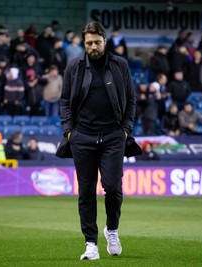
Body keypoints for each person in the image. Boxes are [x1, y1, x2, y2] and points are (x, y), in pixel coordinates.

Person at [55, 21, 140, 261]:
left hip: (114, 136)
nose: (93, 46)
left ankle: (111, 230)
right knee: (86, 192)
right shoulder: (74, 66)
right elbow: (64, 100)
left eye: (97, 42)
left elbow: (131, 99)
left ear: (105, 41)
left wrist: (125, 129)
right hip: (82, 137)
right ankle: (90, 243)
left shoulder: (120, 64)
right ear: (84, 43)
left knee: (113, 187)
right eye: (89, 43)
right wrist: (69, 130)